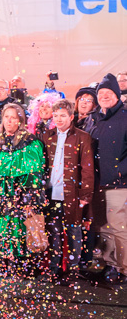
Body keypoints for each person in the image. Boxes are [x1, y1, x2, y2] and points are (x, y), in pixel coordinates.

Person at [41, 99, 94, 286]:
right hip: (51, 194)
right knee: (53, 233)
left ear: (71, 117)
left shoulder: (82, 137)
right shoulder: (47, 136)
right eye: (55, 116)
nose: (59, 119)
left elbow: (87, 169)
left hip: (72, 194)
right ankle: (54, 268)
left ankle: (73, 269)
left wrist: (86, 195)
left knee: (74, 233)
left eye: (63, 115)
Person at [0, 103, 46, 267]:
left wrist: (29, 199)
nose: (9, 121)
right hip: (1, 196)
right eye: (6, 117)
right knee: (2, 226)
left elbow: (34, 174)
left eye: (13, 118)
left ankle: (22, 263)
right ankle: (3, 261)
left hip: (21, 196)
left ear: (20, 121)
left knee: (20, 228)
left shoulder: (30, 143)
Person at [86, 73, 127, 286]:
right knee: (102, 227)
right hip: (97, 183)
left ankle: (123, 268)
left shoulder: (125, 116)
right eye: (101, 93)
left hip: (119, 183)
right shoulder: (92, 118)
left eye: (109, 93)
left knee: (118, 227)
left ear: (117, 95)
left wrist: (121, 171)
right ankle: (109, 265)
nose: (104, 96)